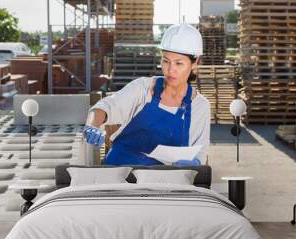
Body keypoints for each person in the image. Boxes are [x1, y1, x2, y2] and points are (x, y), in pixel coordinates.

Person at [83, 23, 210, 166]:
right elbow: (103, 107)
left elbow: (200, 153)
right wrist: (91, 126)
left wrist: (194, 163)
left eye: (179, 63)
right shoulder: (143, 88)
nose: (170, 70)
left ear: (195, 62)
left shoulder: (200, 106)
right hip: (117, 173)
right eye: (165, 61)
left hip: (161, 182)